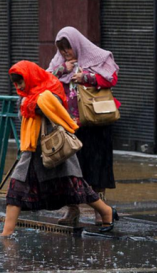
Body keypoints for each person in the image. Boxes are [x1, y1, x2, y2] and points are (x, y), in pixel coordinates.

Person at [0, 60, 118, 237]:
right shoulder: (28, 96)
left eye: (20, 82)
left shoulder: (48, 93)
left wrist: (31, 103)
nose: (18, 86)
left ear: (31, 77)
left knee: (77, 187)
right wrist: (26, 101)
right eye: (15, 83)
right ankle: (6, 234)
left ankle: (106, 212)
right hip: (32, 153)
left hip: (54, 149)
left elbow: (54, 111)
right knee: (16, 189)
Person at [47, 26, 121, 226]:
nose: (65, 53)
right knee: (70, 169)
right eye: (61, 49)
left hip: (97, 123)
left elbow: (111, 78)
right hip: (71, 125)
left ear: (77, 43)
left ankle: (100, 210)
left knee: (97, 167)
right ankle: (72, 210)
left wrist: (85, 77)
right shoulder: (59, 63)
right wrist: (64, 69)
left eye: (68, 48)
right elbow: (45, 80)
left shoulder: (97, 57)